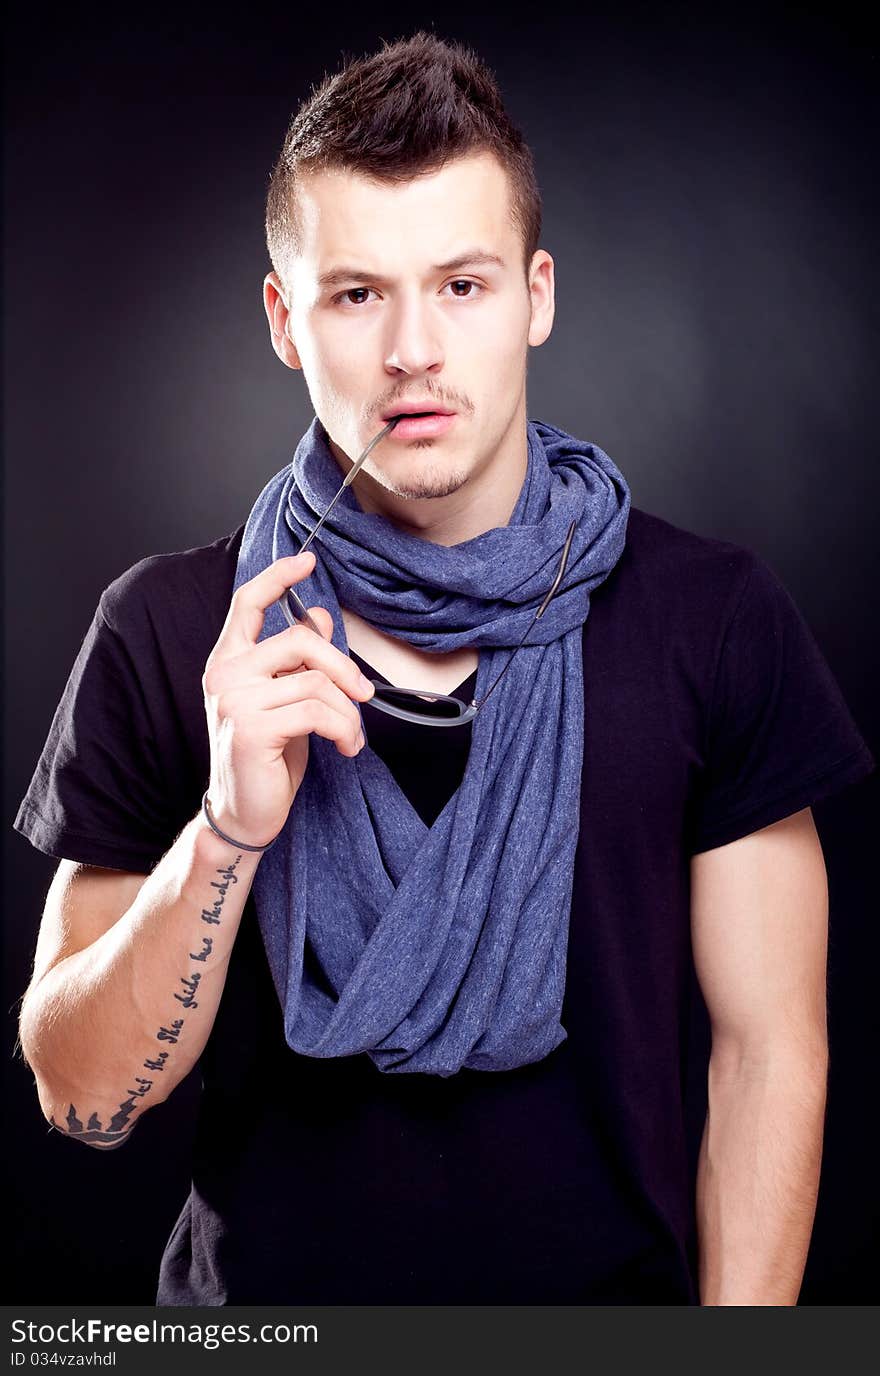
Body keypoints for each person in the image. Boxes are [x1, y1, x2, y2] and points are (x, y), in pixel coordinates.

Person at [13, 30, 875, 1307]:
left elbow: (767, 1057)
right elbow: (81, 1098)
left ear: (534, 295)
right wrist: (229, 832)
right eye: (357, 293)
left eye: (460, 287)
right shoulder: (172, 627)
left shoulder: (713, 618)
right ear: (284, 320)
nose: (413, 349)